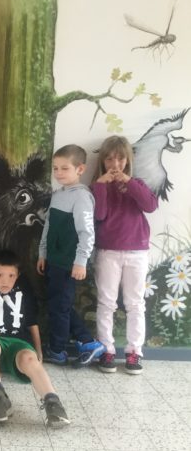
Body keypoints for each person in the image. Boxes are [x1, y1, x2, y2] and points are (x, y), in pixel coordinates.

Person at [0, 250, 70, 427]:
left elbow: (32, 321)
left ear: (18, 275)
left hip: (18, 343)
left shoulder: (23, 286)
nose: (5, 281)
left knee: (29, 359)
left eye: (11, 275)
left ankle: (53, 403)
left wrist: (38, 351)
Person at [91, 136, 158, 374]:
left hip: (137, 251)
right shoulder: (97, 186)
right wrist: (100, 185)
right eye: (109, 159)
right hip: (108, 251)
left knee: (135, 303)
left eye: (120, 158)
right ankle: (106, 349)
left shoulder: (137, 183)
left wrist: (128, 182)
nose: (115, 164)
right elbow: (99, 215)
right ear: (102, 161)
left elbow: (150, 206)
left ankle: (134, 352)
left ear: (128, 160)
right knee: (106, 302)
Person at [37, 144, 104, 367]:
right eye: (55, 168)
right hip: (53, 261)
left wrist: (80, 262)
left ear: (80, 169)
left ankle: (57, 350)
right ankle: (88, 342)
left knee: (59, 307)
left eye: (64, 168)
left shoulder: (82, 197)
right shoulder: (58, 195)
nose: (58, 173)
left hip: (69, 264)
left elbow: (87, 232)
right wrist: (43, 253)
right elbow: (48, 226)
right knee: (59, 305)